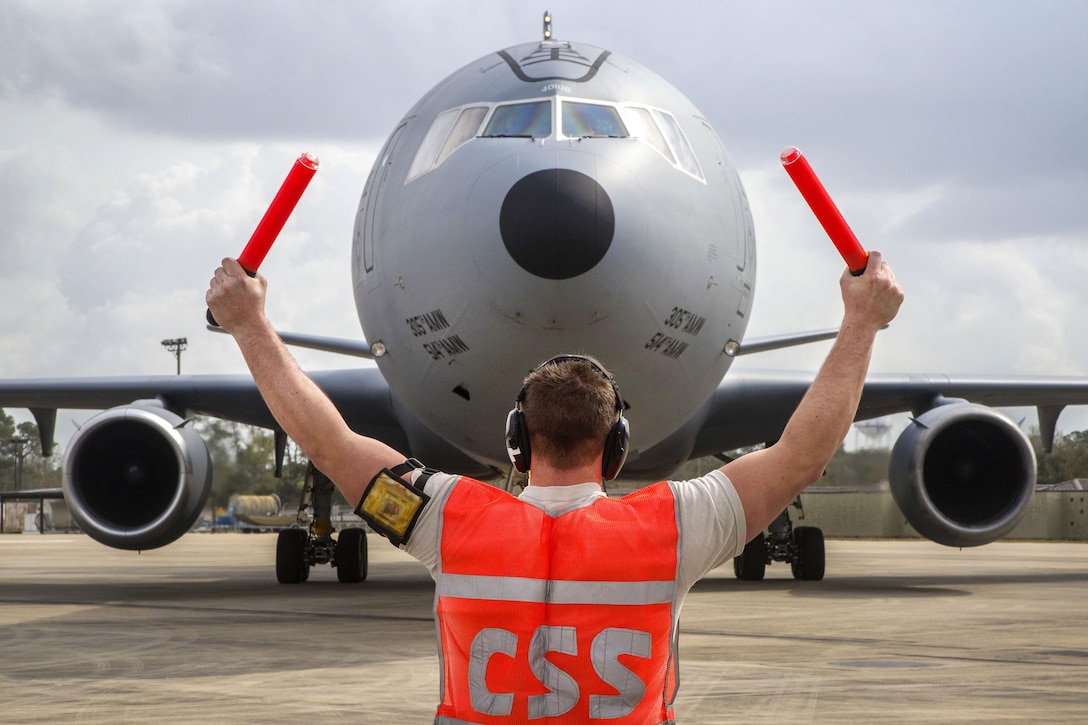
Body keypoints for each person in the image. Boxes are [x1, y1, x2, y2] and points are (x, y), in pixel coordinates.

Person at [206, 251, 903, 724]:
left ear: (516, 441)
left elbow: (328, 442)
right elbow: (802, 454)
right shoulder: (675, 526)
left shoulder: (444, 518)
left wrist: (249, 325)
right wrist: (861, 323)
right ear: (616, 447)